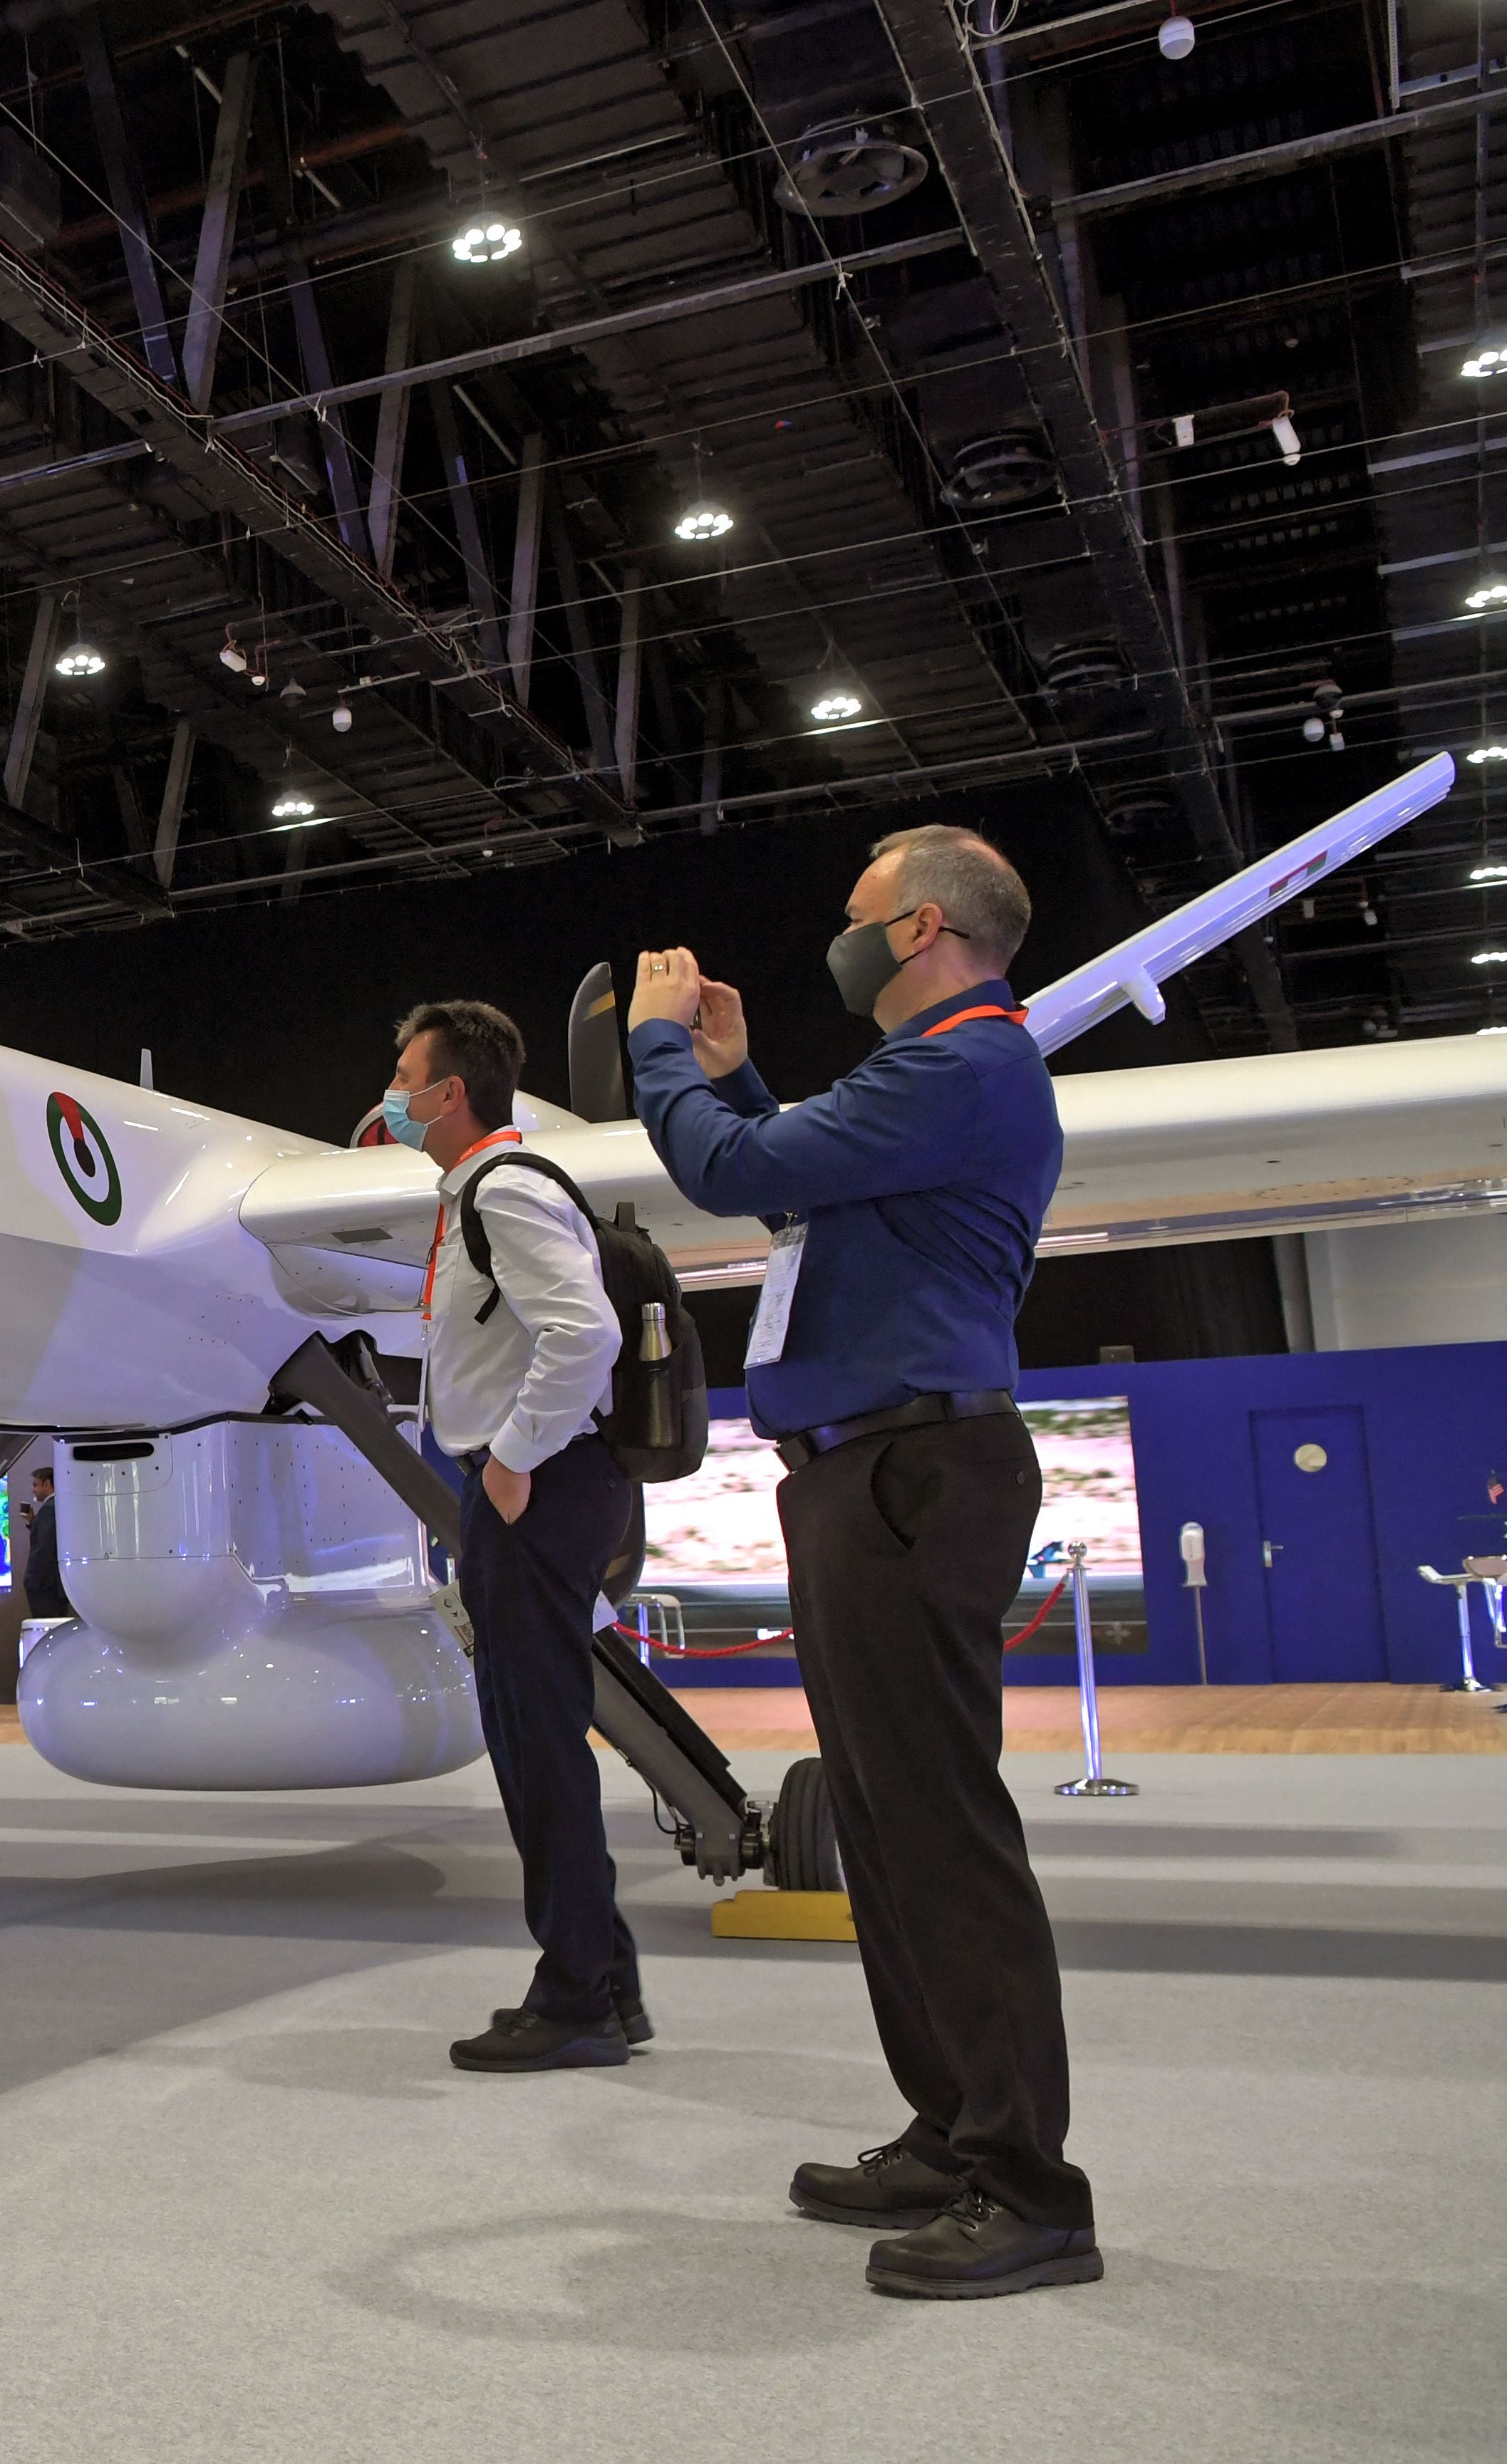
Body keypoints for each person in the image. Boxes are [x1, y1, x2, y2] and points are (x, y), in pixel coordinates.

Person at [628, 823, 1094, 2302]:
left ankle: (1026, 2185)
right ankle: (953, 2131)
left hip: (911, 1470)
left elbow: (722, 1173)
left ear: (917, 931)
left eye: (855, 913)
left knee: (939, 1831)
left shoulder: (961, 1064)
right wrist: (741, 1077)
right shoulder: (937, 1077)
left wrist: (654, 1052)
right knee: (889, 1830)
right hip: (867, 1471)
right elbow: (791, 1184)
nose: (838, 931)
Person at [384, 1002, 644, 2075]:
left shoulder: (506, 1189)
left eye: (405, 1077)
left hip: (538, 1485)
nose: (392, 1097)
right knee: (539, 1735)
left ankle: (577, 1993)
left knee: (536, 1739)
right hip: (535, 1481)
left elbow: (587, 1331)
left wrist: (514, 1457)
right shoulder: (479, 1195)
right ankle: (605, 1982)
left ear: (451, 1093)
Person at [20, 1467, 71, 1618]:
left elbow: (44, 1549)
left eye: (36, 1485)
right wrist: (32, 1523)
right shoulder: (58, 1506)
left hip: (46, 1587)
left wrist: (32, 1582)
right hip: (55, 1586)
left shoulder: (49, 1510)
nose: (33, 1490)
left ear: (47, 1484)